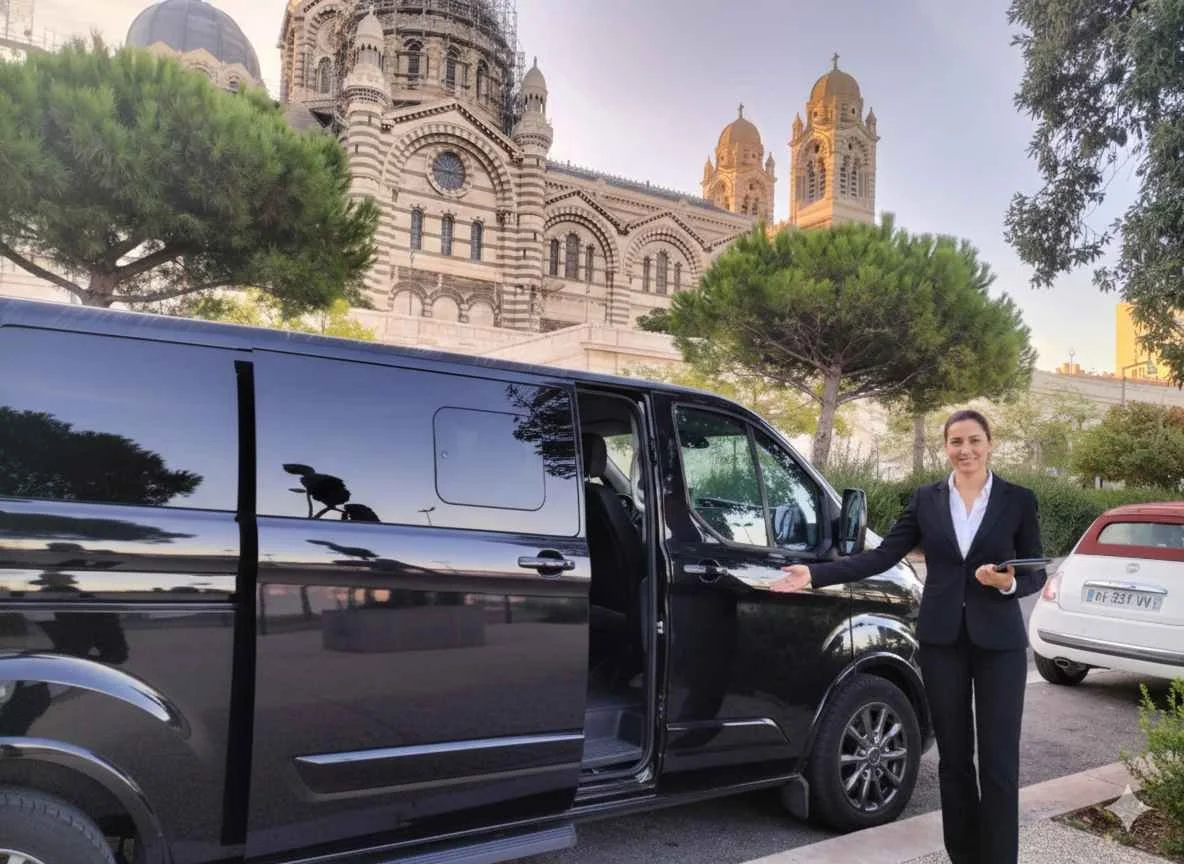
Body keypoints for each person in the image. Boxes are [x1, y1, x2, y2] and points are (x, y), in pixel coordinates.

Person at [770, 409, 1047, 864]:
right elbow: (881, 556)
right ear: (946, 447)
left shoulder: (1018, 500)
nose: (966, 450)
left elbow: (1034, 568)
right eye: (956, 442)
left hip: (999, 645)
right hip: (942, 644)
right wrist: (815, 575)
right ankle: (964, 856)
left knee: (999, 764)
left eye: (974, 440)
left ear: (990, 443)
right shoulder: (926, 500)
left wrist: (1008, 583)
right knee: (954, 762)